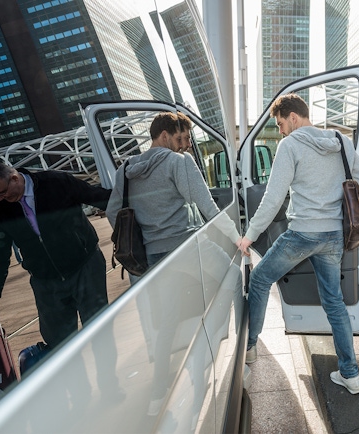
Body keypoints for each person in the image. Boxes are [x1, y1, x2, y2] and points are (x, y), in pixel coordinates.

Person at [106, 111, 242, 415]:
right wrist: (235, 237)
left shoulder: (125, 169)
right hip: (185, 248)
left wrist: (150, 228)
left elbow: (113, 213)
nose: (185, 145)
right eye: (181, 138)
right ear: (164, 135)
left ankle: (158, 394)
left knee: (167, 319)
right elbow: (207, 205)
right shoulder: (178, 163)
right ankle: (234, 350)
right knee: (234, 277)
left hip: (155, 259)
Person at [238, 93, 359, 395]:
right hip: (334, 236)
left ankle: (249, 348)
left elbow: (274, 198)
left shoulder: (290, 145)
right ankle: (350, 374)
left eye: (281, 123)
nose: (281, 130)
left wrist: (249, 235)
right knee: (334, 302)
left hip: (302, 235)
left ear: (294, 117)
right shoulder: (340, 141)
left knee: (259, 279)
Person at [0, 163, 124, 402]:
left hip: (84, 266)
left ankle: (110, 388)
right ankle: (81, 398)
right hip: (46, 281)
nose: (1, 198)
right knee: (59, 344)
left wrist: (138, 199)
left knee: (99, 332)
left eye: (2, 192)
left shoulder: (57, 182)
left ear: (14, 178)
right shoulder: (0, 209)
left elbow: (100, 197)